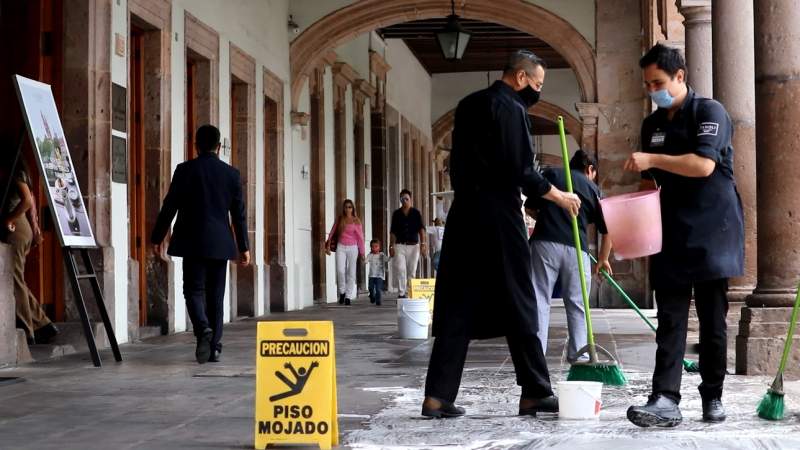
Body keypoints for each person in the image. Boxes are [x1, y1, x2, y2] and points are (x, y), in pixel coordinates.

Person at [421, 50, 581, 418]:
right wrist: (558, 196)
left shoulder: (467, 104)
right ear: (521, 77)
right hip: (498, 213)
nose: (537, 92)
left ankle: (437, 396)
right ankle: (536, 391)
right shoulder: (510, 108)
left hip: (464, 214)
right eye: (537, 84)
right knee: (520, 298)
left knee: (458, 302)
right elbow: (520, 169)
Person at [624, 44, 744, 427]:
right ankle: (664, 398)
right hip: (670, 231)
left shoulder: (710, 112)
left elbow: (704, 165)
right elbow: (647, 182)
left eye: (657, 82)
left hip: (713, 229)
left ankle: (713, 396)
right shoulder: (653, 125)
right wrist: (629, 224)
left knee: (712, 320)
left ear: (680, 76)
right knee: (670, 320)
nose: (652, 90)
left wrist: (654, 159)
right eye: (647, 84)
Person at [151, 124, 250, 364]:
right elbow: (239, 215)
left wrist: (157, 237)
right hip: (220, 244)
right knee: (216, 297)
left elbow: (169, 206)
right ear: (219, 146)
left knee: (193, 291)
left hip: (192, 241)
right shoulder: (231, 174)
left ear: (195, 145)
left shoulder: (185, 170)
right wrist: (244, 247)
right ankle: (214, 346)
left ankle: (203, 329)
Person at [525, 149, 612, 363]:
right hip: (577, 250)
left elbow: (529, 208)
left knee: (539, 299)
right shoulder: (594, 189)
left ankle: (536, 354)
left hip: (544, 244)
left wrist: (546, 216)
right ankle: (578, 353)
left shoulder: (552, 175)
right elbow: (608, 229)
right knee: (577, 303)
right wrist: (603, 259)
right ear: (590, 169)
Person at [0, 148, 58, 345]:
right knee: (16, 278)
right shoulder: (21, 171)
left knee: (14, 279)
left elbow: (26, 201)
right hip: (22, 226)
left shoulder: (16, 172)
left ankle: (27, 331)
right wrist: (35, 228)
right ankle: (43, 323)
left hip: (16, 229)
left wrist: (9, 218)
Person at [325, 199, 365, 306]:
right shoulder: (340, 219)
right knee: (340, 270)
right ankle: (342, 292)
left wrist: (362, 252)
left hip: (353, 248)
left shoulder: (356, 221)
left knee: (351, 272)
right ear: (344, 208)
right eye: (346, 207)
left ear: (353, 209)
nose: (348, 209)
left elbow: (360, 238)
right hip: (341, 247)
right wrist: (328, 243)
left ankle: (348, 296)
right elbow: (332, 232)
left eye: (350, 207)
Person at [389, 189, 426, 298]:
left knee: (412, 270)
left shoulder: (416, 213)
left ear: (410, 200)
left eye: (406, 199)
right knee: (400, 269)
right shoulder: (396, 214)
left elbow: (421, 229)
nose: (404, 201)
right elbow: (393, 231)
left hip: (414, 246)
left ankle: (410, 294)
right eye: (402, 199)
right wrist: (391, 245)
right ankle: (401, 294)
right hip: (399, 245)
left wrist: (423, 243)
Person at [366, 239, 388, 306]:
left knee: (378, 289)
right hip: (371, 275)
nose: (374, 248)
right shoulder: (370, 255)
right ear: (371, 247)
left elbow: (387, 259)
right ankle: (372, 297)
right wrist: (363, 259)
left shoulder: (382, 255)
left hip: (379, 275)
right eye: (372, 247)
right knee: (370, 288)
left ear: (379, 247)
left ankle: (378, 301)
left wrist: (392, 257)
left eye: (376, 246)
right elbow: (366, 261)